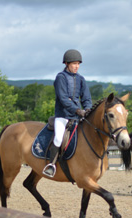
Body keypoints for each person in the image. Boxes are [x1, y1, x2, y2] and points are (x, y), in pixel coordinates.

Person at [43, 49, 92, 178]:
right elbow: (63, 99)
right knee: (59, 138)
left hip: (78, 117)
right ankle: (51, 165)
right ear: (66, 63)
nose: (77, 66)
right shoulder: (61, 78)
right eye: (74, 64)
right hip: (63, 116)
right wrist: (77, 110)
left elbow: (86, 98)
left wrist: (87, 109)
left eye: (78, 64)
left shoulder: (81, 79)